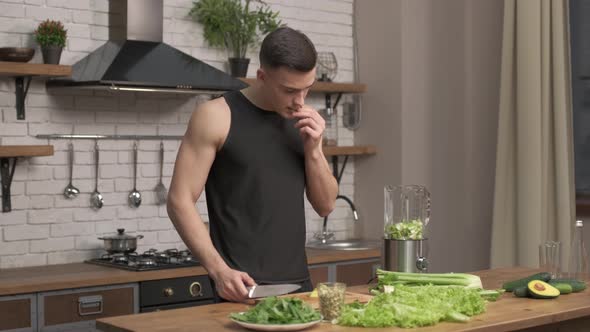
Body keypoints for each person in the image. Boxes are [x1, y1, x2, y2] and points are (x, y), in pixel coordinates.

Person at [167, 27, 338, 303]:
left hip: (299, 286)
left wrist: (314, 150)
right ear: (262, 77)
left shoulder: (305, 122)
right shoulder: (216, 116)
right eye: (289, 90)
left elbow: (325, 205)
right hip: (240, 288)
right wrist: (218, 271)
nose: (300, 101)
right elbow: (179, 200)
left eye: (307, 88)